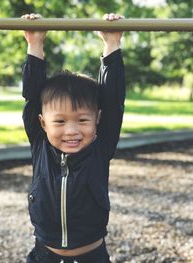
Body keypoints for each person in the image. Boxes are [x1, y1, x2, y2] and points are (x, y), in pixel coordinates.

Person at [21, 13, 126, 263]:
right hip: (45, 254)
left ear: (97, 120)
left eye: (82, 120)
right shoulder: (40, 144)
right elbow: (33, 98)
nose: (72, 130)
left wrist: (111, 44)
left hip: (92, 256)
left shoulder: (100, 149)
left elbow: (112, 103)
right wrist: (35, 44)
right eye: (60, 121)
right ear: (42, 123)